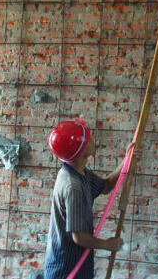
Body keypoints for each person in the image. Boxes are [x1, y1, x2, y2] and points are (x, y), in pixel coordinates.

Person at [43, 118, 132, 279]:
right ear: (80, 149)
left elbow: (106, 186)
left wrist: (127, 159)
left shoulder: (79, 172)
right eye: (88, 138)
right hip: (67, 270)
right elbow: (79, 237)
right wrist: (107, 244)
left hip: (75, 263)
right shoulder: (73, 186)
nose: (92, 138)